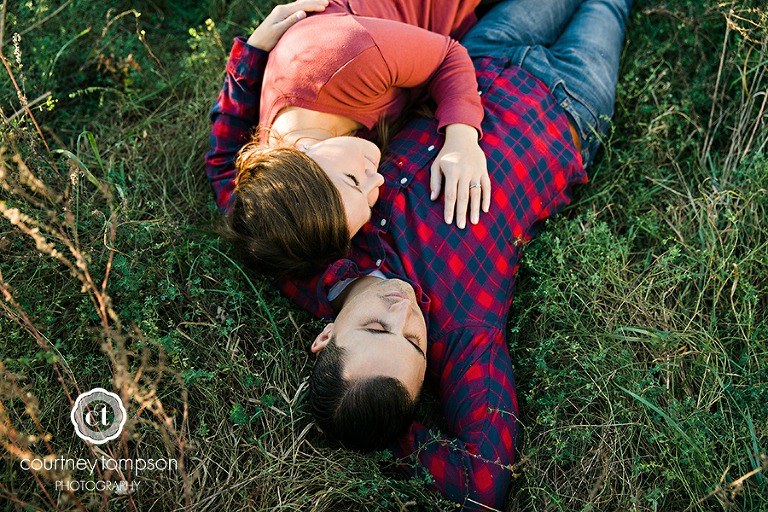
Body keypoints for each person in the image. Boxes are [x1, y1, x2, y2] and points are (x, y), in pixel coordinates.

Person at [206, 0, 632, 507]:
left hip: (477, 61)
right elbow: (484, 481)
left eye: (375, 328)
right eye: (411, 342)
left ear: (325, 334)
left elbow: (232, 185)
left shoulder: (311, 256)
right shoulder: (463, 335)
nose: (402, 309)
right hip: (571, 105)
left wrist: (250, 60)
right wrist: (380, 429)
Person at [206, 0, 492, 278]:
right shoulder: (271, 171)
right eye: (368, 206)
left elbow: (449, 56)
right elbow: (222, 170)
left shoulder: (348, 56)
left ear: (301, 152)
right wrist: (253, 53)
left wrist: (461, 139)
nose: (377, 181)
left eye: (354, 180)